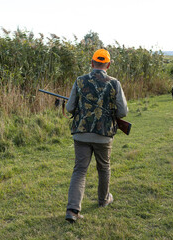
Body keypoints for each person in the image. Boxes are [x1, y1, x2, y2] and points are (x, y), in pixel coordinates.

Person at [65, 49, 128, 223]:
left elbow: (69, 108)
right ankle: (103, 200)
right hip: (103, 136)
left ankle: (72, 210)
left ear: (92, 63)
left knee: (79, 170)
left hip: (81, 134)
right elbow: (123, 112)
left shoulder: (79, 81)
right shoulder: (114, 83)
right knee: (104, 168)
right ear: (108, 65)